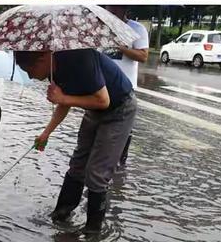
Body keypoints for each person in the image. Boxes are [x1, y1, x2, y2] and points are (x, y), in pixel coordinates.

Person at [15, 48, 136, 234]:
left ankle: (93, 231)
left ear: (43, 58)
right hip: (94, 110)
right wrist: (46, 133)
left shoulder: (81, 58)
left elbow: (103, 100)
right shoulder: (53, 71)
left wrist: (62, 97)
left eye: (29, 70)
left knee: (97, 173)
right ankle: (61, 215)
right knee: (77, 165)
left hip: (119, 109)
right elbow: (66, 102)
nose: (30, 76)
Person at [105, 6, 149, 166]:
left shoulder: (137, 29)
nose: (111, 10)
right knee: (101, 125)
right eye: (109, 8)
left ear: (125, 10)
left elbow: (143, 56)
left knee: (124, 128)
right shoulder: (101, 25)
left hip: (125, 87)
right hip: (102, 86)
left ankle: (120, 161)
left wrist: (120, 47)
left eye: (116, 8)